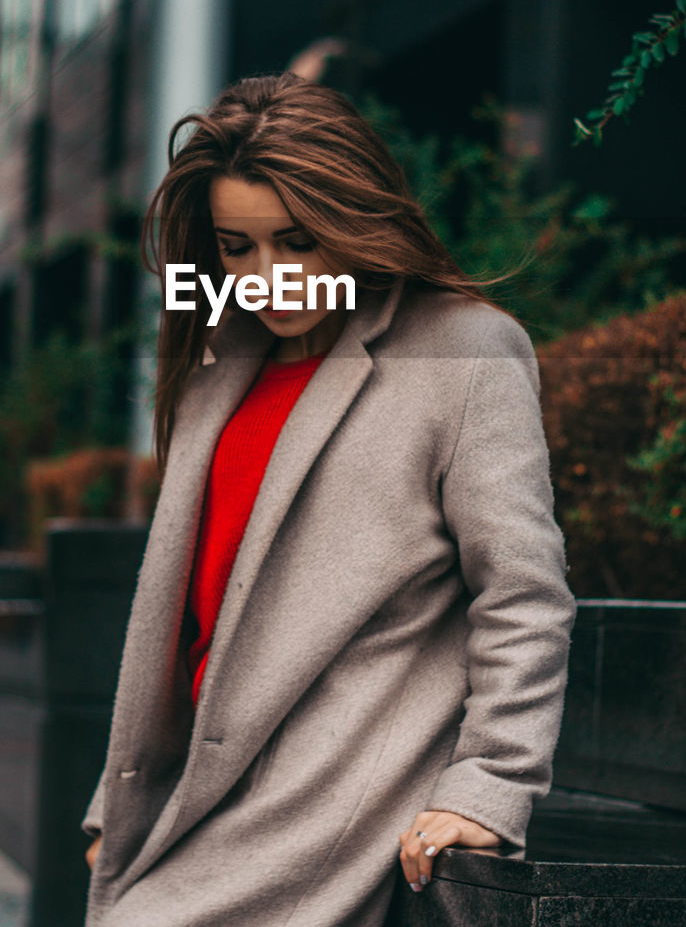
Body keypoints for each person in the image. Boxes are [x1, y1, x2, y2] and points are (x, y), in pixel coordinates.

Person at [80, 72, 576, 926]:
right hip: (182, 805)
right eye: (237, 247)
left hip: (328, 804)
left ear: (355, 219)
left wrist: (490, 785)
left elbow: (523, 595)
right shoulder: (221, 364)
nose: (265, 276)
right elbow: (187, 618)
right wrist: (114, 806)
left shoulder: (463, 352)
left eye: (295, 241)